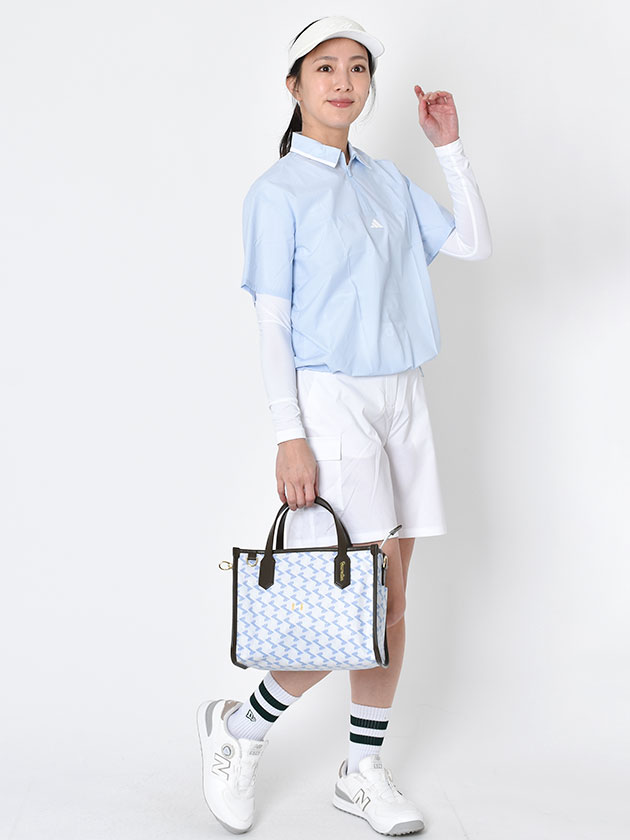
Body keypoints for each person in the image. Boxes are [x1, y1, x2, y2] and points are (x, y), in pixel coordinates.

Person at [197, 15, 492, 836]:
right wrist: (289, 433)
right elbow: (272, 322)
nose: (342, 81)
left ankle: (360, 772)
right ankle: (240, 727)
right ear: (294, 85)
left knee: (391, 607)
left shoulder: (387, 179)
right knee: (359, 602)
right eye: (324, 67)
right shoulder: (276, 193)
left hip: (405, 394)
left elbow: (472, 243)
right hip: (331, 401)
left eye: (357, 67)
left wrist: (449, 148)